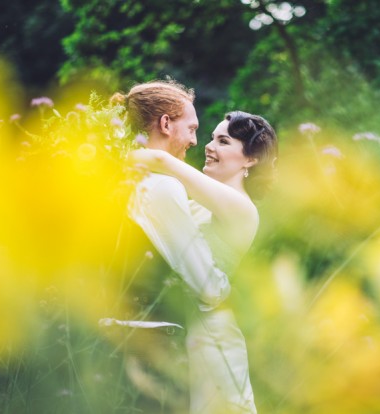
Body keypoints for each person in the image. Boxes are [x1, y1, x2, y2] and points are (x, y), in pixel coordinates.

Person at [107, 79, 278, 413]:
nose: (207, 146)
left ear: (250, 160)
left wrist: (133, 153)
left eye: (223, 140)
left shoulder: (243, 209)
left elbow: (166, 165)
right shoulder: (190, 200)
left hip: (214, 337)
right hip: (187, 331)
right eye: (211, 136)